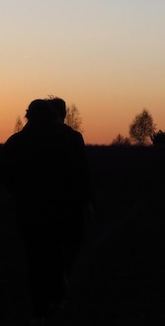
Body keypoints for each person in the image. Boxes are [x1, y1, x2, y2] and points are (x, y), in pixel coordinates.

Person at [0, 99, 86, 326]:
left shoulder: (16, 142)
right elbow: (75, 175)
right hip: (57, 211)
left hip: (28, 212)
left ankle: (39, 310)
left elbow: (4, 176)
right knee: (54, 255)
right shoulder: (64, 141)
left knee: (34, 261)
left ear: (28, 117)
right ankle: (56, 300)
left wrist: (20, 193)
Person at [45, 96, 95, 297]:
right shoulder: (74, 138)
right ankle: (63, 279)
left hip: (44, 203)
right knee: (71, 243)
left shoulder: (35, 138)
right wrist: (88, 202)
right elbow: (83, 172)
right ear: (63, 114)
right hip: (71, 203)